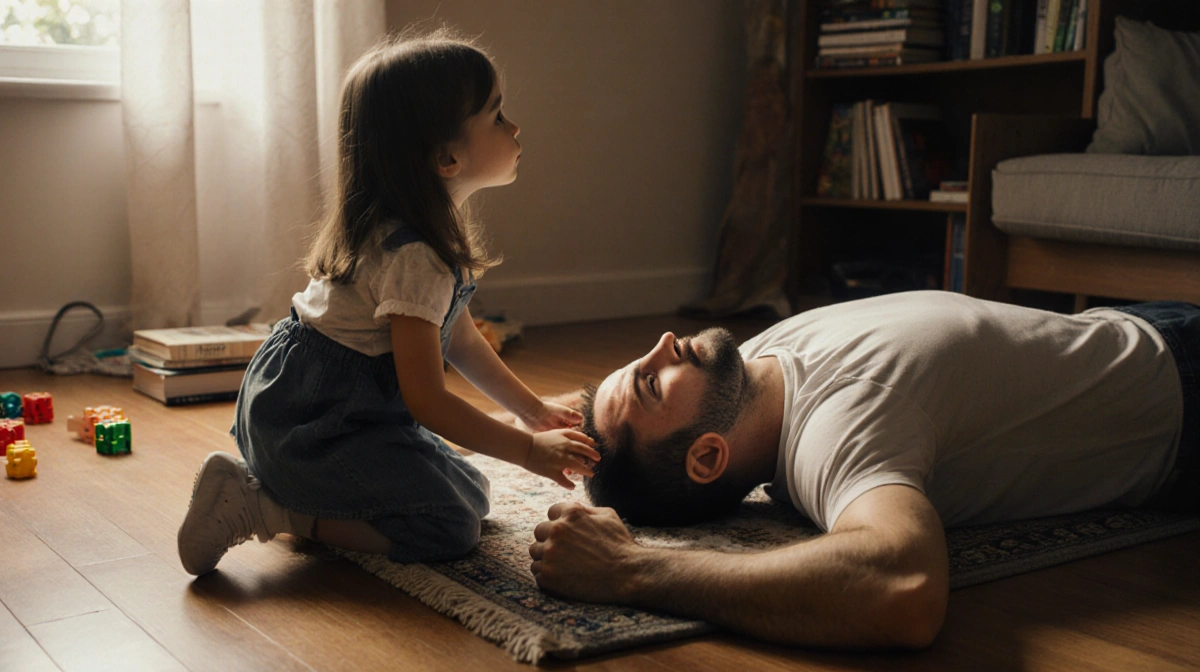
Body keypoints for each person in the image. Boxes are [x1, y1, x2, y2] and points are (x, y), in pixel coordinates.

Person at [527, 291, 1198, 649]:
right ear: (707, 456)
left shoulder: (751, 368)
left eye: (638, 366)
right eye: (652, 383)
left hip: (1137, 322)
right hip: (1185, 406)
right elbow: (903, 587)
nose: (662, 345)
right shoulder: (835, 433)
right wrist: (631, 570)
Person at [177, 31, 599, 577]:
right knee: (449, 525)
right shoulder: (414, 259)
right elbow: (427, 401)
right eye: (497, 116)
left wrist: (531, 413)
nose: (515, 128)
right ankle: (264, 504)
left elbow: (462, 339)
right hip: (313, 424)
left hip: (327, 411)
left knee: (474, 491)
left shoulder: (423, 235)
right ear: (447, 156)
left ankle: (299, 493)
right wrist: (527, 450)